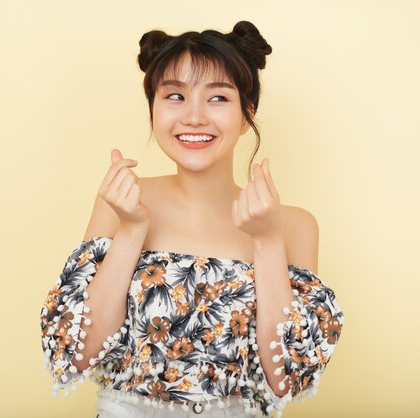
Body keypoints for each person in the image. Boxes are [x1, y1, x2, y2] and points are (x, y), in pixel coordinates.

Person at [40, 21, 344, 418]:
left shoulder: (293, 225)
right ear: (153, 110)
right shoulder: (121, 201)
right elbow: (77, 353)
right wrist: (132, 231)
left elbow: (285, 377)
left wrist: (267, 241)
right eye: (175, 96)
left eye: (218, 98)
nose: (195, 116)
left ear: (246, 112)